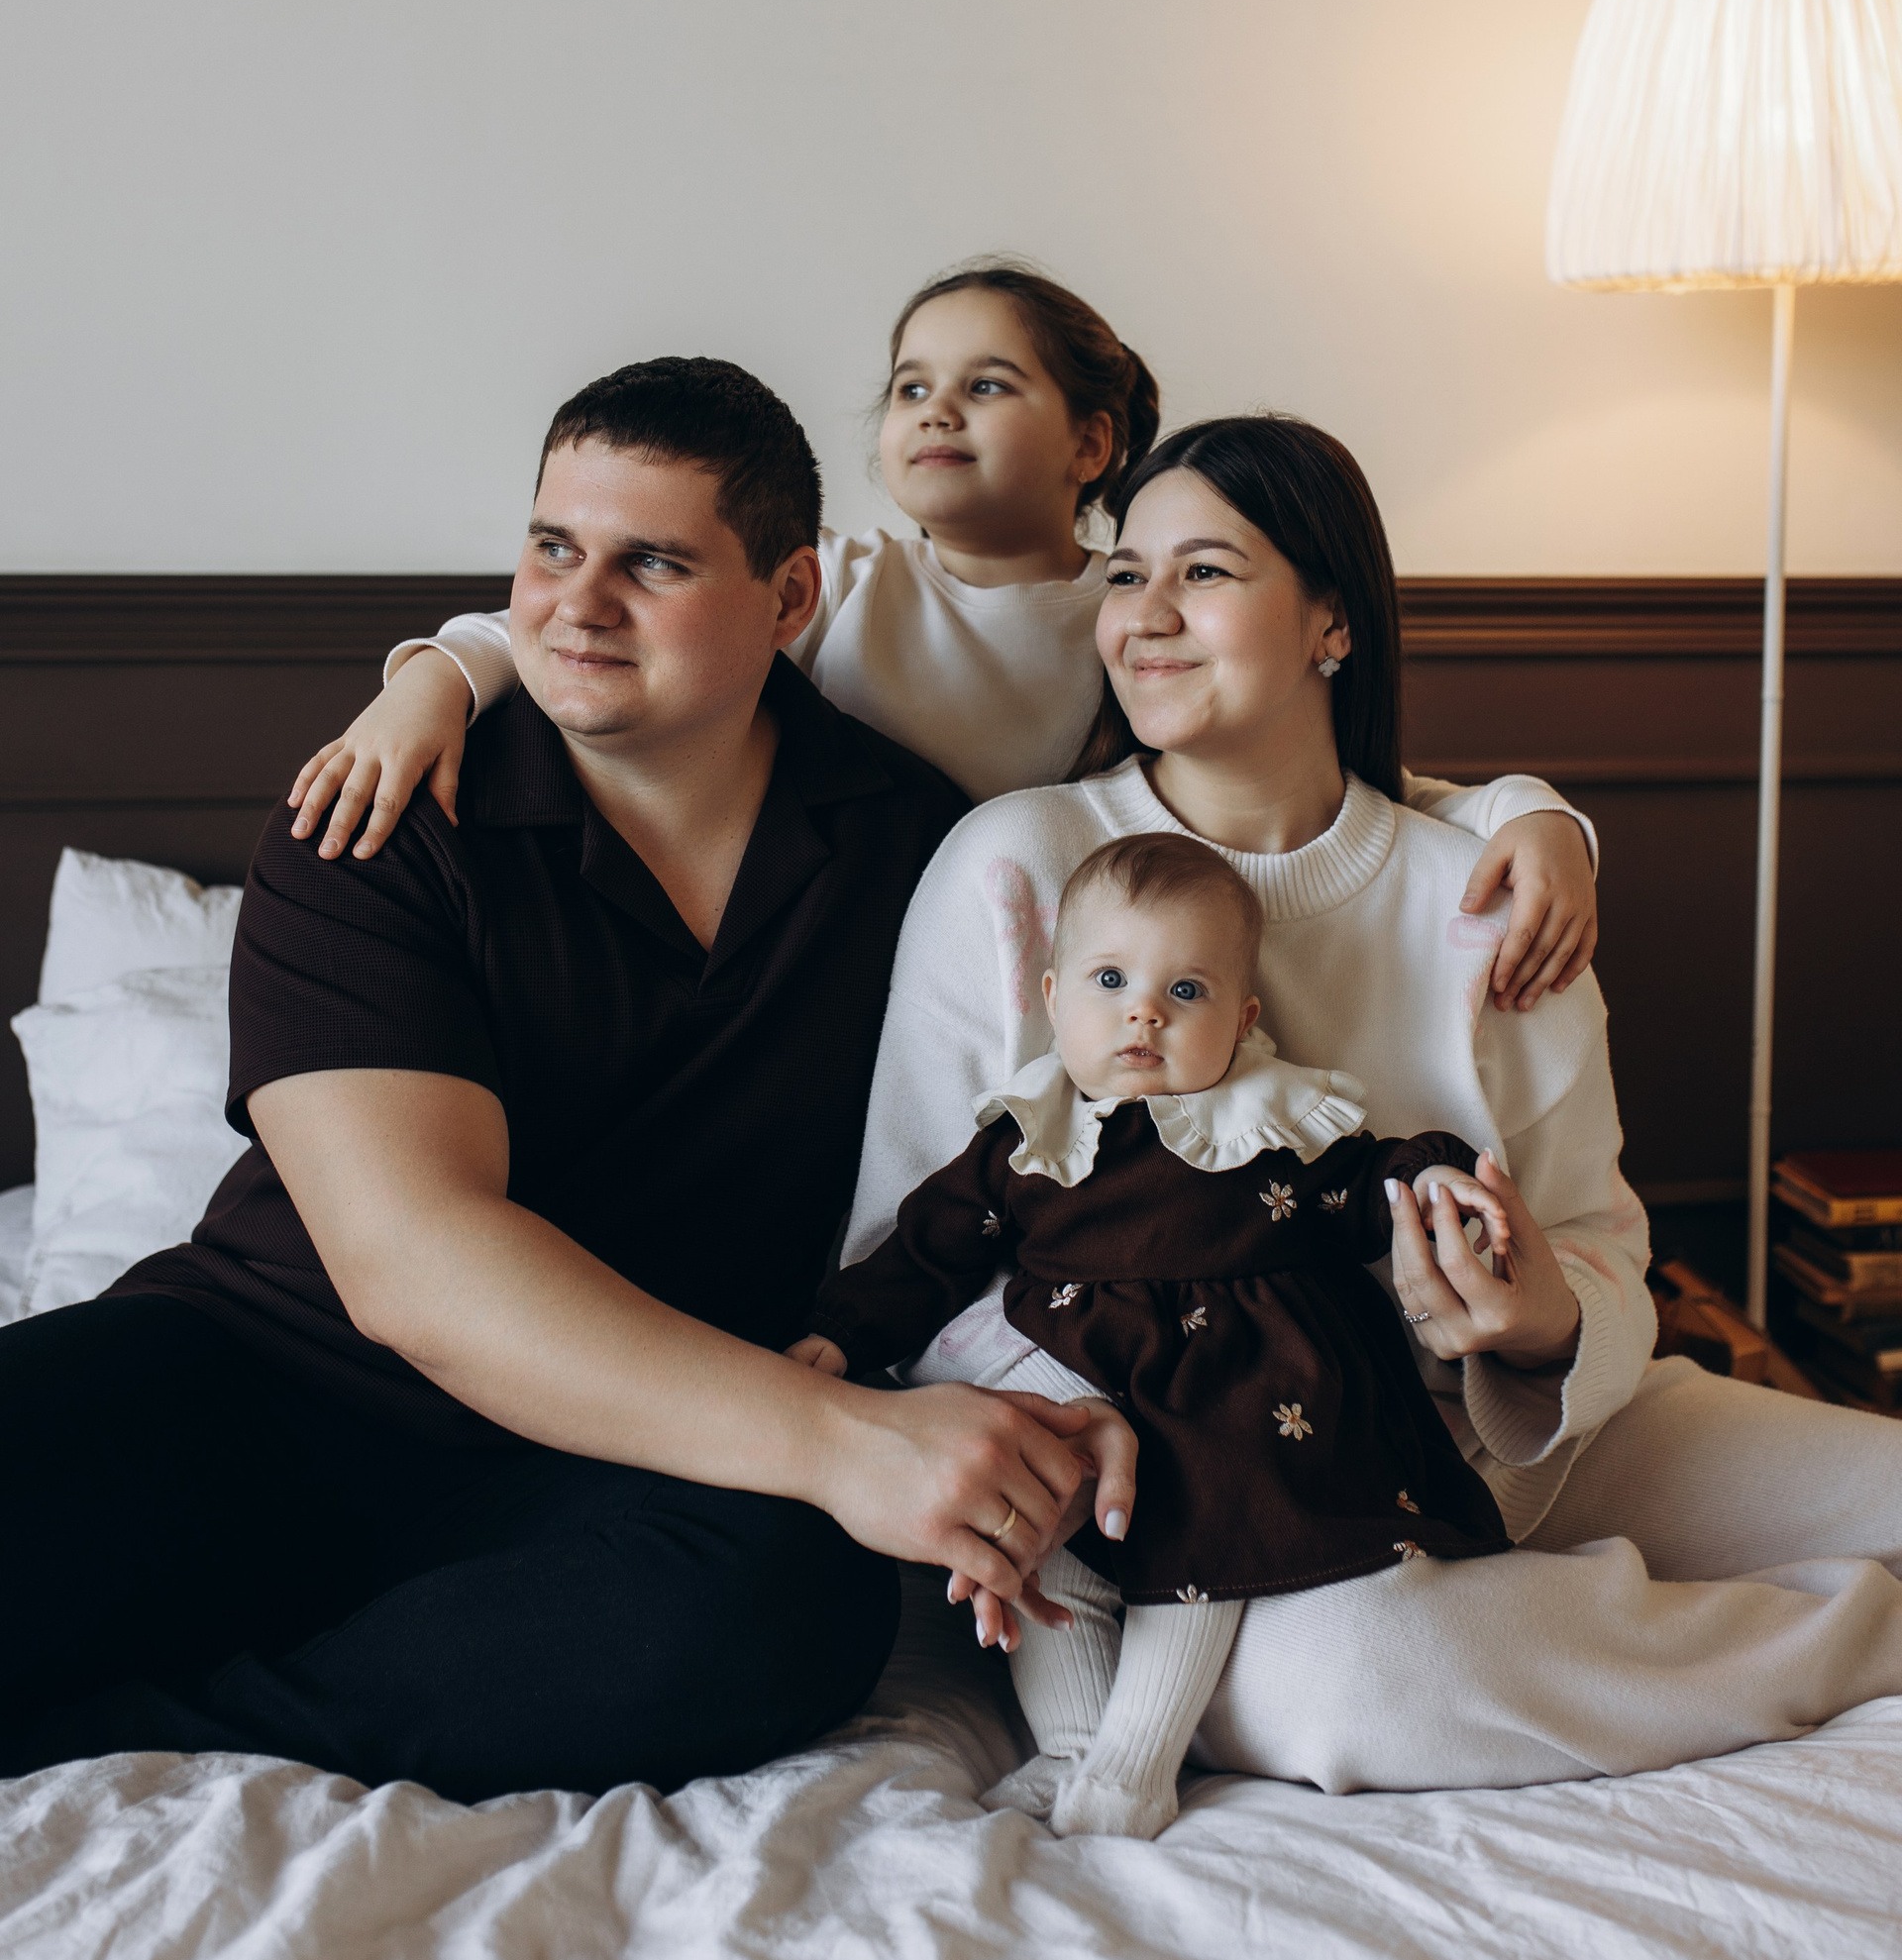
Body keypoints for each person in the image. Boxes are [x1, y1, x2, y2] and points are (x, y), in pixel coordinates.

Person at [0, 360, 1136, 1803]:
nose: (576, 605)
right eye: (552, 548)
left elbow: (1045, 1111)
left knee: (795, 1598)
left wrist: (1069, 1385)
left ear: (790, 598)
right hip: (264, 1384)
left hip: (634, 1450)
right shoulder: (380, 813)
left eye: (651, 563)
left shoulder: (917, 851)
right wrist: (841, 1442)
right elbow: (414, 1268)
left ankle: (150, 1729)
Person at [844, 412, 1902, 1796]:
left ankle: (1553, 1600)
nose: (1144, 615)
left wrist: (1541, 1323)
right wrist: (1084, 1415)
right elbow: (907, 1253)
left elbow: (1601, 1242)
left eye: (1204, 573)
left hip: (1516, 1440)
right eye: (1126, 575)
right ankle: (1844, 1641)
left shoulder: (1489, 889)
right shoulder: (1020, 864)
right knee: (1376, 1684)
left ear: (1331, 623)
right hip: (1208, 1504)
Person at [279, 261, 1602, 1014]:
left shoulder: (1132, 619)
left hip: (1064, 973)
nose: (935, 409)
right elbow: (583, 626)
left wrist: (1534, 816)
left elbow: (1328, 779)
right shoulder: (842, 585)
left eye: (988, 384)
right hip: (846, 968)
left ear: (1092, 442)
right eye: (911, 383)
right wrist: (431, 686)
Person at [791, 831, 1512, 1838]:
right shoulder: (1028, 1139)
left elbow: (1370, 1186)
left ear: (1243, 1020)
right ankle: (1071, 1747)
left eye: (1186, 991)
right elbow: (929, 1249)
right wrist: (837, 1336)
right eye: (1111, 981)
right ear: (1052, 1000)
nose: (1144, 1013)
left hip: (1246, 1402)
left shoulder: (1271, 1127)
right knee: (1045, 1544)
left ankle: (1137, 1763)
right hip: (1083, 1395)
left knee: (1200, 1513)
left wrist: (1434, 1177)